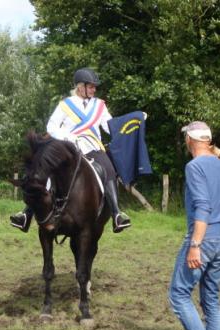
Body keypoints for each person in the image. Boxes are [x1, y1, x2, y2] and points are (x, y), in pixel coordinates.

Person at [10, 67, 131, 233]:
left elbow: (110, 127)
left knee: (109, 168)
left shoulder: (99, 106)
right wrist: (68, 137)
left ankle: (117, 214)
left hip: (92, 147)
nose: (94, 89)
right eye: (91, 86)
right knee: (43, 172)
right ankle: (26, 214)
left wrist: (131, 123)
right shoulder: (65, 105)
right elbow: (51, 126)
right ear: (80, 87)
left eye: (95, 87)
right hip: (67, 149)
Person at [169, 121, 220, 330]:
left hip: (203, 240)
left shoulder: (194, 166)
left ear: (190, 140)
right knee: (211, 299)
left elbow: (203, 206)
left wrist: (195, 244)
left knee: (179, 294)